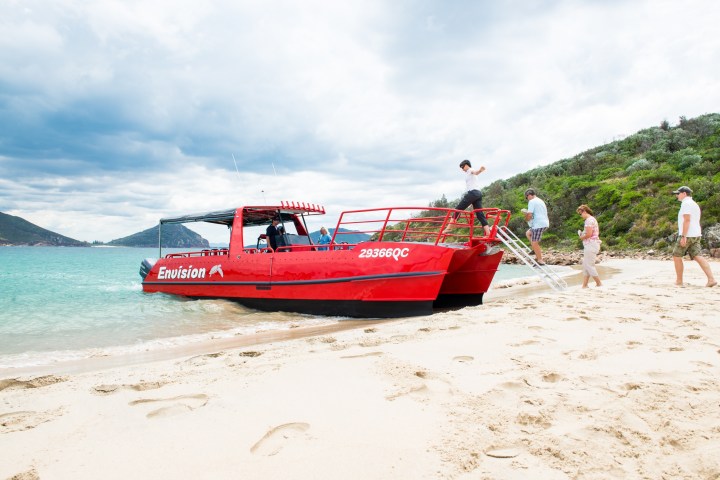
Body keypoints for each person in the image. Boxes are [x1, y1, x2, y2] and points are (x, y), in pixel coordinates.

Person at [672, 186, 716, 287]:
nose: (676, 195)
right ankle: (711, 279)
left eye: (678, 193)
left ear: (684, 193)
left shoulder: (686, 204)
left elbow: (687, 220)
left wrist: (683, 236)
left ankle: (679, 281)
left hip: (688, 234)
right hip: (696, 234)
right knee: (698, 256)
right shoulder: (694, 204)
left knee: (676, 256)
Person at [444, 159, 491, 236]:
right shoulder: (469, 173)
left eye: (462, 167)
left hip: (473, 193)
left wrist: (480, 170)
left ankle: (449, 228)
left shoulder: (470, 170)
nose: (462, 169)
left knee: (457, 209)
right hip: (478, 193)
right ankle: (488, 233)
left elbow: (475, 172)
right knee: (480, 214)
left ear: (466, 165)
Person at [576, 204, 602, 288]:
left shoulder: (588, 220)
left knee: (589, 265)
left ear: (584, 211)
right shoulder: (592, 219)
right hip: (593, 244)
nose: (581, 216)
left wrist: (581, 237)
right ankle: (585, 285)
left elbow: (589, 234)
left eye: (580, 214)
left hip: (591, 244)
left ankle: (599, 283)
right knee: (586, 265)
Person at [523, 188, 549, 265]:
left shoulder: (532, 201)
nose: (527, 199)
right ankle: (535, 250)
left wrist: (526, 218)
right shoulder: (540, 200)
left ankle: (540, 260)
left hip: (538, 224)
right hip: (543, 222)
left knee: (534, 243)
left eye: (526, 197)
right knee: (528, 233)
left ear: (529, 195)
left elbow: (530, 214)